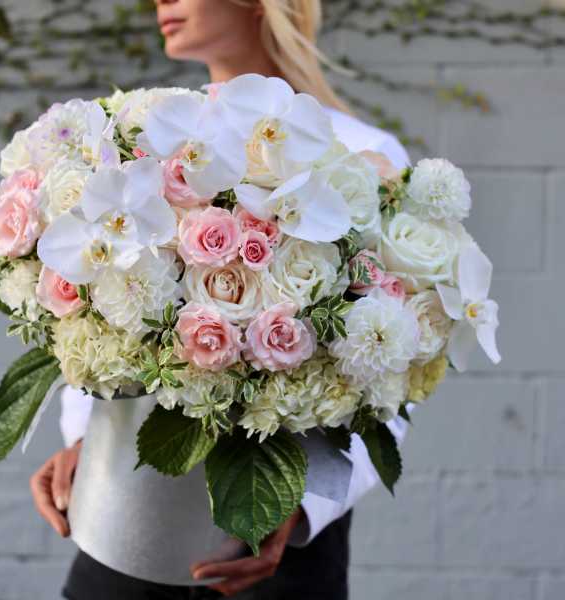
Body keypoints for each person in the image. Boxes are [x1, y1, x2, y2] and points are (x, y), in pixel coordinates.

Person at [29, 1, 410, 598]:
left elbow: (392, 370)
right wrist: (82, 439)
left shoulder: (364, 158)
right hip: (126, 518)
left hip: (278, 551)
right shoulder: (146, 136)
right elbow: (93, 310)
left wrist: (303, 507)